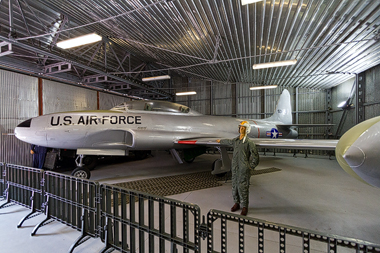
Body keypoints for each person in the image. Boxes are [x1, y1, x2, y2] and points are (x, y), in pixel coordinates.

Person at [217, 121, 259, 216]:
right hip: (235, 168)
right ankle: (236, 203)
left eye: (243, 127)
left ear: (247, 129)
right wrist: (220, 141)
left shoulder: (249, 143)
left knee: (243, 187)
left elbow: (255, 156)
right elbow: (228, 142)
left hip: (244, 169)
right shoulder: (235, 141)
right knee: (234, 186)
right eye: (240, 127)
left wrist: (251, 166)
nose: (241, 129)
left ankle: (245, 206)